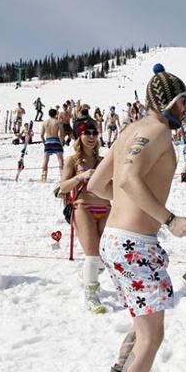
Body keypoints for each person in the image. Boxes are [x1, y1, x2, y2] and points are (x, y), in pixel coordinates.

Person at [86, 64, 186, 372]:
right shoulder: (156, 131)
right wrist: (168, 219)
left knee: (140, 330)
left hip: (118, 240)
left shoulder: (129, 131)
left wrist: (126, 213)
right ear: (168, 101)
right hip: (135, 243)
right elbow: (131, 178)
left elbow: (98, 185)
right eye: (184, 101)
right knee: (152, 336)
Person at [59, 117, 110, 314]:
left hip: (106, 208)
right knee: (92, 252)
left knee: (107, 253)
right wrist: (80, 176)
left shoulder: (103, 160)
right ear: (79, 136)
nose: (91, 136)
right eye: (86, 133)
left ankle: (88, 273)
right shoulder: (72, 160)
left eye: (94, 133)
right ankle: (91, 295)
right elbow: (62, 187)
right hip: (83, 208)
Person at [40, 109, 65, 183]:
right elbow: (62, 134)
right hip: (56, 140)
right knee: (60, 159)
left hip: (48, 141)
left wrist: (45, 143)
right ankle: (62, 175)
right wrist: (61, 143)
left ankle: (44, 175)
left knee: (45, 159)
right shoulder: (58, 122)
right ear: (55, 114)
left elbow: (41, 135)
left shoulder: (45, 122)